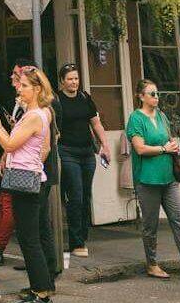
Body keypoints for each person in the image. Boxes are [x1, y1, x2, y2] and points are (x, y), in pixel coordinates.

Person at [126, 79, 180, 280]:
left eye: (157, 94)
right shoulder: (136, 119)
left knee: (179, 218)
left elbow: (169, 139)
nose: (156, 97)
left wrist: (173, 145)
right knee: (150, 224)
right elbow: (140, 148)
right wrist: (164, 149)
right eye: (152, 94)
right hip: (148, 179)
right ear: (141, 97)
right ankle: (152, 264)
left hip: (169, 176)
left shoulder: (162, 116)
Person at [0, 65, 54, 303]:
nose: (20, 89)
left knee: (28, 238)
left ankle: (41, 292)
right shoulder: (43, 113)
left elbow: (9, 143)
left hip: (23, 181)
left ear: (36, 89)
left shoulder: (35, 116)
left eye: (25, 85)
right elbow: (44, 148)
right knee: (33, 236)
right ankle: (43, 286)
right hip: (34, 177)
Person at [53, 63, 110, 258]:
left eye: (76, 78)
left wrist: (105, 145)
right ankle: (76, 242)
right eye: (69, 79)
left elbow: (96, 123)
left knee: (86, 195)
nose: (73, 82)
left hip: (87, 152)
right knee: (75, 195)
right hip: (67, 151)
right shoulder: (57, 100)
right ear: (62, 81)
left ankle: (83, 238)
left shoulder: (85, 98)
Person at [0, 59, 36, 265]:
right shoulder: (18, 102)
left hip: (24, 167)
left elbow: (38, 145)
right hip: (14, 160)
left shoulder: (34, 109)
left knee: (11, 206)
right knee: (7, 203)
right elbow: (14, 134)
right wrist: (4, 156)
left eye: (17, 75)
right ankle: (33, 261)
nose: (12, 78)